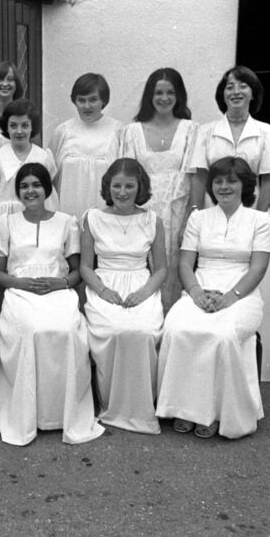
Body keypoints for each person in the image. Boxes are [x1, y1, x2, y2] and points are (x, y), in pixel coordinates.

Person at [157, 157, 270, 439]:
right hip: (201, 286)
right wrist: (196, 293)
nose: (224, 186)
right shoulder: (199, 217)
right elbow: (185, 264)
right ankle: (182, 408)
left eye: (231, 180)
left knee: (221, 334)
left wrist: (231, 297)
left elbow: (258, 267)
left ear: (245, 185)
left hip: (241, 292)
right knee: (176, 328)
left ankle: (219, 413)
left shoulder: (259, 220)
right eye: (218, 181)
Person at [186, 65, 270, 383]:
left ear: (253, 93)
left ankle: (257, 365)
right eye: (229, 86)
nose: (236, 91)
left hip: (251, 217)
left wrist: (255, 218)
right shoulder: (206, 130)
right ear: (222, 94)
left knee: (252, 286)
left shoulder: (266, 131)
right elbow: (200, 175)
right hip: (212, 217)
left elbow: (267, 179)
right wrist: (194, 213)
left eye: (243, 85)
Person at [0, 163, 103, 445]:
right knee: (32, 330)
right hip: (20, 292)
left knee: (66, 330)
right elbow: (0, 274)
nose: (31, 191)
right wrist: (22, 284)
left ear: (47, 189)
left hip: (58, 290)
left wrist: (61, 284)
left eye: (36, 185)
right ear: (18, 192)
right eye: (25, 186)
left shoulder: (67, 222)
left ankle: (61, 414)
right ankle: (30, 414)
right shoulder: (7, 222)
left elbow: (77, 271)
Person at [80, 158, 166, 434]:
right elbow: (85, 266)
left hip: (141, 283)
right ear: (107, 187)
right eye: (116, 185)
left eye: (130, 186)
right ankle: (111, 404)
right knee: (114, 330)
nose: (123, 192)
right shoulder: (92, 217)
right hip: (104, 283)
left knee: (142, 331)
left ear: (140, 187)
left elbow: (162, 269)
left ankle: (143, 405)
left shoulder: (153, 220)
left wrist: (143, 293)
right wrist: (103, 290)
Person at [121, 68, 198, 310]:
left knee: (177, 267)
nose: (164, 98)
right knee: (145, 266)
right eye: (158, 92)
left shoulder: (191, 129)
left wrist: (192, 214)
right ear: (149, 96)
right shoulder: (132, 131)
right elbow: (127, 173)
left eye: (170, 92)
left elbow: (196, 175)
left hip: (179, 209)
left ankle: (173, 329)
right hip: (143, 211)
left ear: (179, 96)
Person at [51, 72, 122, 219]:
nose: (87, 106)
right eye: (81, 100)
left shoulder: (118, 131)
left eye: (93, 100)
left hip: (106, 215)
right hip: (67, 214)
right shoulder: (63, 131)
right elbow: (50, 177)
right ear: (74, 101)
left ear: (103, 100)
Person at [0, 99, 58, 223]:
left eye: (24, 125)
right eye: (13, 125)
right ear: (6, 127)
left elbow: (50, 200)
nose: (19, 131)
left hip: (35, 221)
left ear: (32, 126)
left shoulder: (43, 157)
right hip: (5, 221)